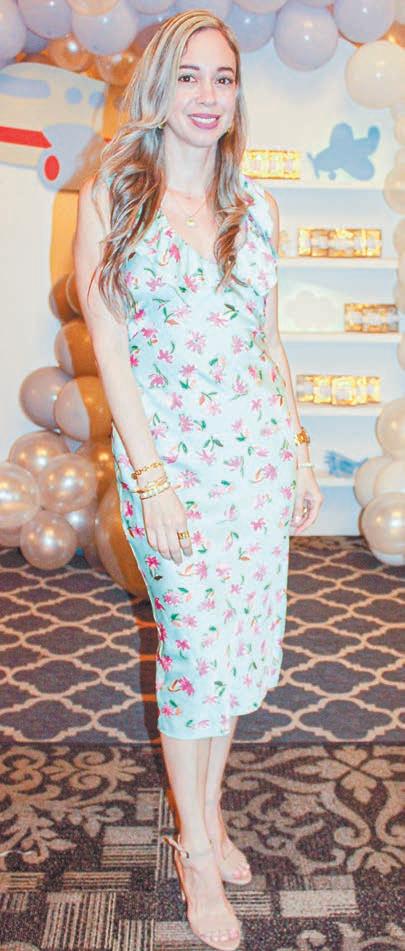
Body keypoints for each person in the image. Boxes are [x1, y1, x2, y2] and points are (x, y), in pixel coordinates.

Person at [74, 9, 323, 950]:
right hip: (169, 470)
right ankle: (192, 852)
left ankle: (210, 813)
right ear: (158, 87)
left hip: (255, 464)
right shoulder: (114, 196)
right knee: (190, 652)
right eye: (188, 76)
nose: (208, 96)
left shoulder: (256, 206)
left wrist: (298, 449)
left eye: (223, 78)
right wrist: (150, 479)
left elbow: (269, 343)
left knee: (230, 655)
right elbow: (110, 347)